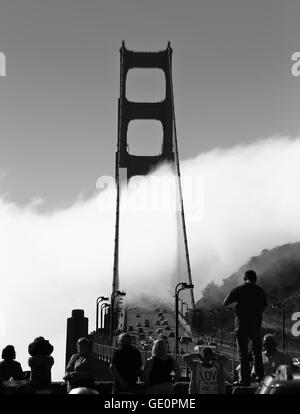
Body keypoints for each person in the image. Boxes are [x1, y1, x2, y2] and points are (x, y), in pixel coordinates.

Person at [223, 269, 267, 385]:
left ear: (244, 278)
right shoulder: (261, 291)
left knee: (243, 353)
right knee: (257, 353)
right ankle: (260, 378)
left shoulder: (238, 289)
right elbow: (264, 306)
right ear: (255, 279)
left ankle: (245, 380)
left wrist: (236, 305)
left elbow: (225, 303)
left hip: (241, 325)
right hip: (256, 326)